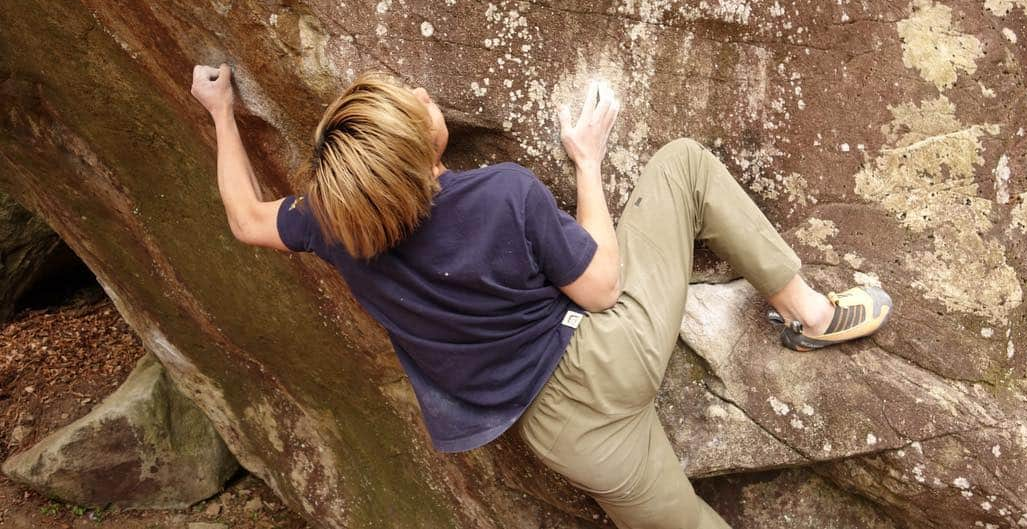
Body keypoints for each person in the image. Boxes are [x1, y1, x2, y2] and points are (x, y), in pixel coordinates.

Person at [191, 63, 892, 529]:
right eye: (416, 104)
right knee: (683, 164)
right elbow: (601, 284)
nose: (426, 96)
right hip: (611, 354)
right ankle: (814, 313)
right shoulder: (505, 191)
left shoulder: (332, 223)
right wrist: (586, 164)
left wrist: (220, 114)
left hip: (568, 438)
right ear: (422, 151)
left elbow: (247, 220)